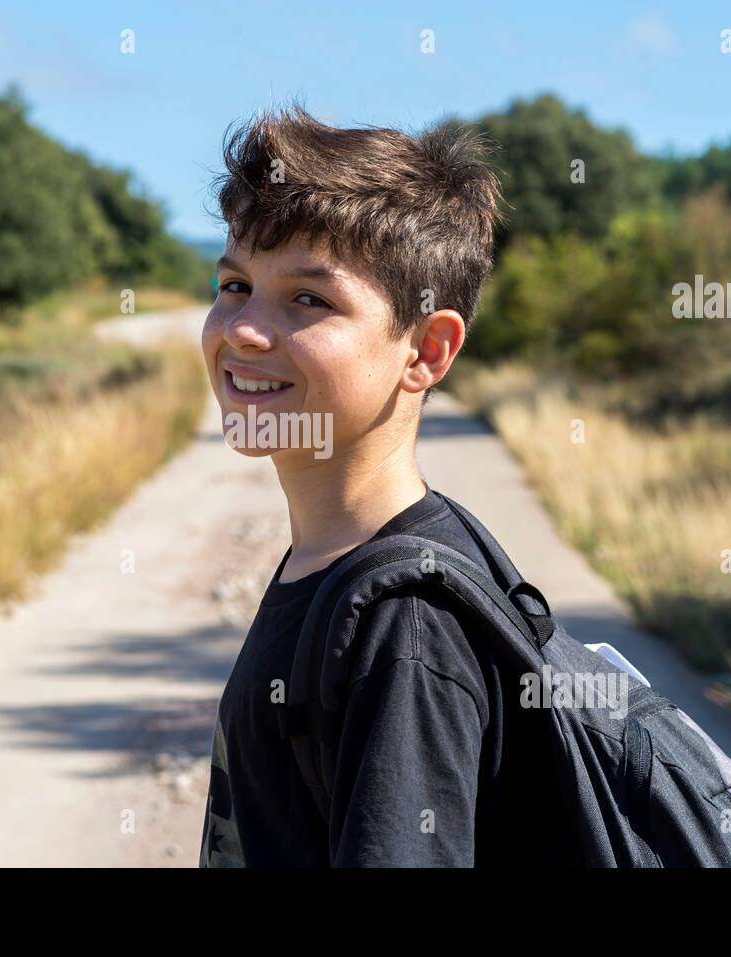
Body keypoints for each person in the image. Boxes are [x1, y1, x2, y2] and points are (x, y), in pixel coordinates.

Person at [197, 99, 576, 867]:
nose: (242, 328)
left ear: (427, 350)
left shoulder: (403, 626)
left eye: (310, 299)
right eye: (234, 285)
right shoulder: (340, 559)